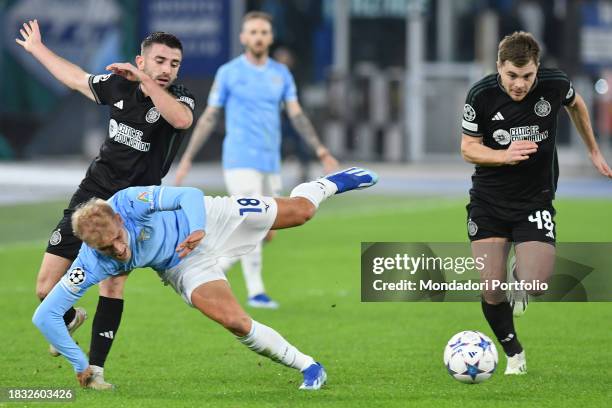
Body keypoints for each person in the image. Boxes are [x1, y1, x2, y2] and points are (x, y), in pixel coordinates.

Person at [32, 167, 378, 390]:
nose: (120, 250)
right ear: (92, 246)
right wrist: (80, 363)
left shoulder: (128, 202)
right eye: (107, 248)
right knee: (235, 322)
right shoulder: (90, 262)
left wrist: (197, 227)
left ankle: (327, 183)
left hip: (211, 218)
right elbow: (45, 315)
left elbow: (189, 196)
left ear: (119, 220)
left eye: (119, 238)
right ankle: (309, 367)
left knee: (301, 213)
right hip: (181, 263)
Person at [16, 20, 195, 389]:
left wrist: (146, 83)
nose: (166, 69)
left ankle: (94, 371)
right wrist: (38, 49)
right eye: (159, 61)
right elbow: (78, 79)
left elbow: (181, 119)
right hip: (91, 196)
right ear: (140, 61)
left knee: (112, 285)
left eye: (173, 63)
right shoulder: (119, 86)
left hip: (133, 206)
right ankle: (68, 320)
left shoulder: (179, 98)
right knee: (44, 288)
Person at [460, 31, 612, 375]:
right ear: (499, 67)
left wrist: (593, 150)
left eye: (527, 76)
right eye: (511, 75)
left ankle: (521, 274)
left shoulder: (555, 84)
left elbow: (577, 105)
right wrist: (503, 155)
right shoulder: (480, 95)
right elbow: (468, 148)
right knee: (492, 290)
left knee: (536, 285)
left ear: (537, 68)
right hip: (489, 201)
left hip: (535, 200)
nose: (519, 84)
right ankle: (513, 351)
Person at [174, 11, 339, 309]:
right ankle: (256, 291)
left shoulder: (281, 74)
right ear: (243, 37)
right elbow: (210, 117)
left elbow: (297, 115)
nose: (258, 37)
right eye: (253, 32)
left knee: (266, 229)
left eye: (263, 32)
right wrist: (187, 158)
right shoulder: (229, 73)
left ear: (270, 37)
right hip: (239, 159)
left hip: (270, 161)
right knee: (253, 220)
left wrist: (320, 150)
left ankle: (215, 266)